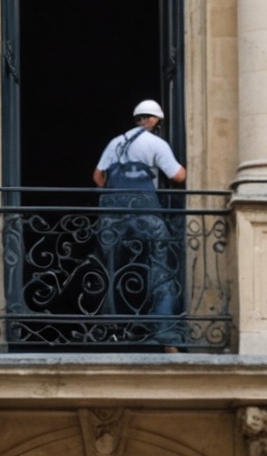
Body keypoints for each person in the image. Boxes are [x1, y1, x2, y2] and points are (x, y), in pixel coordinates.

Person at [94, 100, 187, 348]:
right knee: (160, 269)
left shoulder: (115, 142)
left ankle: (114, 330)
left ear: (138, 118)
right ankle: (165, 333)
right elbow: (178, 176)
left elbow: (98, 177)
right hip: (146, 215)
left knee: (113, 272)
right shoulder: (156, 143)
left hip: (113, 218)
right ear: (155, 121)